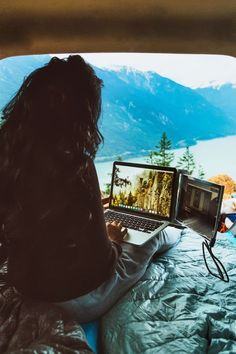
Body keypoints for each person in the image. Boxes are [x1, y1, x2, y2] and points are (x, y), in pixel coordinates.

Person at [0, 55, 180, 322]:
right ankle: (176, 231)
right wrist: (114, 239)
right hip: (78, 300)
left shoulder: (8, 154)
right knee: (153, 238)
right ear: (80, 109)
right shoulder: (75, 163)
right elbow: (100, 260)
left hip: (26, 286)